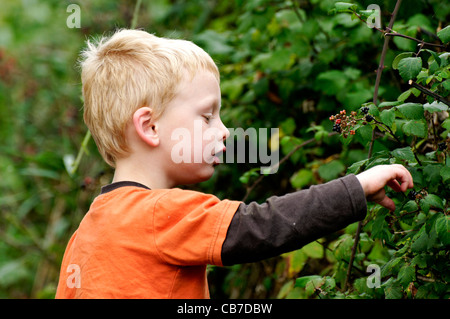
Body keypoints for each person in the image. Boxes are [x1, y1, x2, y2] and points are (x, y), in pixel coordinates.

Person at [55, 29, 414, 299]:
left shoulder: (84, 236)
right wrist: (357, 186)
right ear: (150, 127)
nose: (224, 131)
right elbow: (262, 227)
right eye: (207, 116)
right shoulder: (159, 214)